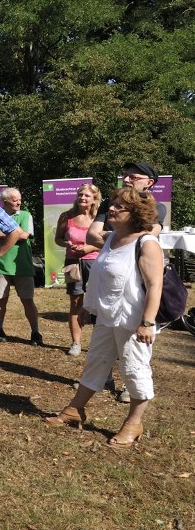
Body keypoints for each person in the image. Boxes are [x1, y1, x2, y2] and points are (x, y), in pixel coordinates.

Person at [44, 187, 163, 448]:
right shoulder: (110, 239)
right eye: (113, 204)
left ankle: (134, 423)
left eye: (120, 206)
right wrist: (90, 305)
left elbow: (155, 286)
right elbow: (101, 276)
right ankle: (76, 409)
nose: (112, 208)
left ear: (136, 213)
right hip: (107, 316)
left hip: (132, 321)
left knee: (133, 370)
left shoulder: (146, 243)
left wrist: (147, 323)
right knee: (96, 363)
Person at [87, 160, 166, 402]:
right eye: (126, 175)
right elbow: (92, 234)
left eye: (133, 176)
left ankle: (134, 408)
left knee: (134, 360)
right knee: (98, 357)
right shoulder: (113, 232)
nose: (127, 178)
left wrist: (147, 322)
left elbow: (148, 238)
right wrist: (116, 244)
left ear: (149, 182)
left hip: (133, 307)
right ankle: (76, 407)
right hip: (110, 305)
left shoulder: (155, 211)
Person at [54, 183, 101, 356]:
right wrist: (65, 243)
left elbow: (109, 242)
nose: (82, 198)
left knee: (99, 303)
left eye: (87, 195)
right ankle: (76, 343)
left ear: (94, 198)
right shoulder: (66, 216)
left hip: (96, 263)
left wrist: (89, 248)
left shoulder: (101, 218)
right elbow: (58, 239)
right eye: (80, 194)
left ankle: (101, 343)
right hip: (72, 263)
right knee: (75, 303)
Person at [0, 188, 43, 345]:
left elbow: (25, 235)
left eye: (19, 199)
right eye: (14, 200)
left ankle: (35, 333)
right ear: (5, 202)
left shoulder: (26, 215)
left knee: (28, 300)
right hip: (0, 265)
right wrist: (14, 234)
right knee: (1, 300)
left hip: (23, 266)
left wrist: (1, 235)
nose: (19, 202)